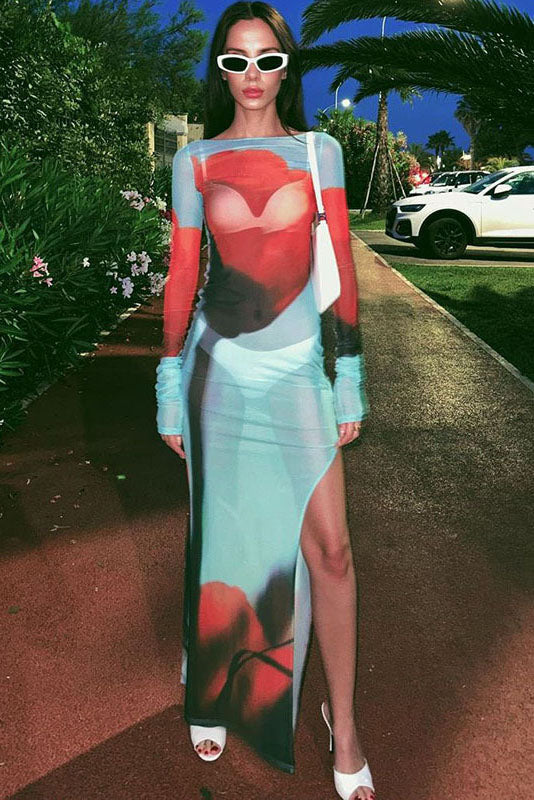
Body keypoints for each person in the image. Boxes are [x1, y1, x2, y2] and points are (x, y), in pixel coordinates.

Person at [155, 3, 374, 799]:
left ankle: (342, 725)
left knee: (332, 552)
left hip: (296, 374)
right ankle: (213, 685)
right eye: (236, 60)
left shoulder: (320, 153)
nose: (252, 75)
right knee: (221, 537)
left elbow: (340, 266)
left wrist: (347, 375)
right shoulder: (196, 160)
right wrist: (168, 384)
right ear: (220, 69)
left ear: (288, 66)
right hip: (215, 372)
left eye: (267, 59)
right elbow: (183, 276)